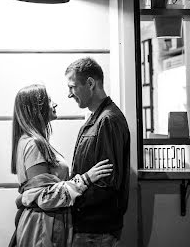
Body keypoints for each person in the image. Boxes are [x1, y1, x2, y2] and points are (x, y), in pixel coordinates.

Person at [9, 84, 113, 247]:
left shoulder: (31, 141)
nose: (55, 104)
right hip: (43, 229)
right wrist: (85, 180)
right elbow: (45, 197)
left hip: (46, 225)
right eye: (49, 101)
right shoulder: (33, 144)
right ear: (37, 108)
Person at [65, 57, 130, 247]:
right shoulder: (99, 118)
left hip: (96, 231)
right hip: (91, 228)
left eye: (72, 87)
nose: (69, 94)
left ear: (90, 83)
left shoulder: (107, 120)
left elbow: (106, 183)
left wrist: (70, 200)